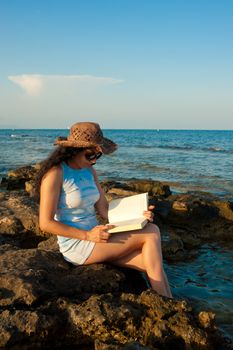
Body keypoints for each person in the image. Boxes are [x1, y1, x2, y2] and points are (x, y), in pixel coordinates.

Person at [38, 122, 172, 298]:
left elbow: (105, 211)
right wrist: (87, 236)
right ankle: (167, 302)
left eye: (98, 156)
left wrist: (138, 215)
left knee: (150, 261)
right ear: (73, 150)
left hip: (98, 237)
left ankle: (170, 304)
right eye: (90, 155)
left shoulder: (90, 171)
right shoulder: (55, 174)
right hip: (77, 244)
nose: (94, 160)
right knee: (151, 232)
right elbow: (45, 223)